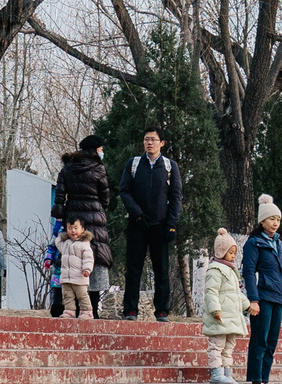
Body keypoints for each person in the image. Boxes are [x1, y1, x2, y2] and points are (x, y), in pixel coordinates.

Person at [117, 126, 183, 320]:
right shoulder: (134, 164)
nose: (149, 142)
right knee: (133, 268)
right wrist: (137, 214)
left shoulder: (171, 166)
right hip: (138, 224)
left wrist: (172, 223)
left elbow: (176, 196)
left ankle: (162, 310)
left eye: (153, 139)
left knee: (161, 269)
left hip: (161, 225)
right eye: (146, 139)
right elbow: (124, 191)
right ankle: (130, 310)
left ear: (161, 143)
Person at [51, 134, 112, 318]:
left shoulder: (67, 167)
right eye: (101, 149)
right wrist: (100, 209)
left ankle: (65, 306)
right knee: (94, 258)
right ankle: (91, 308)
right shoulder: (98, 167)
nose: (102, 152)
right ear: (94, 150)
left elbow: (60, 197)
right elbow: (105, 196)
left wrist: (61, 217)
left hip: (73, 217)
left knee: (70, 257)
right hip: (95, 218)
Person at [239, 195, 282, 384]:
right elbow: (249, 272)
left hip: (278, 298)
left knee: (271, 341)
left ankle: (265, 381)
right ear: (262, 221)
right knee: (259, 340)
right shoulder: (254, 243)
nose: (275, 223)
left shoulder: (279, 244)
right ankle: (256, 383)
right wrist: (253, 299)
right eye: (271, 219)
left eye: (278, 219)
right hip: (262, 297)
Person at [198, 228, 257, 384]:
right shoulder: (215, 269)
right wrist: (215, 309)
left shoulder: (231, 271)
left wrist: (247, 305)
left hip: (232, 317)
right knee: (217, 345)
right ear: (221, 251)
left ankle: (227, 373)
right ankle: (216, 372)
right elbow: (211, 292)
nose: (233, 255)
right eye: (230, 252)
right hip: (221, 316)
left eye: (234, 252)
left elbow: (236, 293)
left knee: (229, 346)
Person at [58, 219, 96, 319]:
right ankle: (69, 312)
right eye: (70, 228)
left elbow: (88, 258)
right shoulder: (65, 243)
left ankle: (87, 312)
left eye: (76, 228)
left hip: (80, 277)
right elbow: (57, 242)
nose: (73, 231)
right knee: (67, 296)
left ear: (82, 229)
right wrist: (60, 233)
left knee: (82, 295)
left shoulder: (84, 244)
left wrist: (87, 269)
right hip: (66, 276)